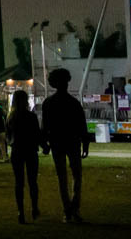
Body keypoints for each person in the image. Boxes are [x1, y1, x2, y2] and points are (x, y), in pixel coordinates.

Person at [41, 68, 85, 225]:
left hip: (57, 143)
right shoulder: (73, 103)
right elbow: (82, 125)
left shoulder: (48, 103)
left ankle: (68, 210)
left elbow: (45, 127)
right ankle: (75, 208)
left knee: (62, 178)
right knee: (76, 176)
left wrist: (44, 144)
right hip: (72, 142)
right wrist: (85, 143)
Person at [6, 89, 42, 224]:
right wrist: (43, 145)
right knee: (32, 181)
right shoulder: (31, 117)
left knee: (19, 182)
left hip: (17, 150)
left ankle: (20, 211)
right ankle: (34, 207)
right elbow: (37, 134)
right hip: (31, 150)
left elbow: (8, 137)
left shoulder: (11, 117)